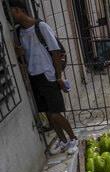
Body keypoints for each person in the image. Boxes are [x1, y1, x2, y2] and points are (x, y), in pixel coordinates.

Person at [9, 0, 77, 155]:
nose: (10, 15)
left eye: (11, 11)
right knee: (47, 113)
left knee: (55, 113)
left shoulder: (41, 27)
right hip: (34, 76)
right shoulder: (18, 32)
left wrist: (58, 76)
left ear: (19, 10)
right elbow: (24, 56)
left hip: (48, 75)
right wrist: (19, 54)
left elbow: (56, 52)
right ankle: (63, 140)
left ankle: (73, 138)